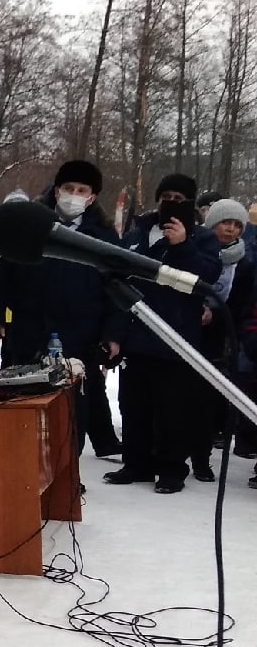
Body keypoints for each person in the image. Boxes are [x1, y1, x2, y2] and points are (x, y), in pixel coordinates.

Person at [0, 160, 125, 458]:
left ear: (92, 197)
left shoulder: (103, 237)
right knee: (27, 400)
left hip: (80, 334)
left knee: (74, 406)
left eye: (81, 190)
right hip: (29, 328)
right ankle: (25, 464)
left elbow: (116, 290)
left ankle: (67, 468)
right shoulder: (30, 226)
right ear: (57, 190)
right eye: (68, 188)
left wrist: (112, 333)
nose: (73, 194)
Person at [104, 174, 220, 494]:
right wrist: (114, 333)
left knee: (172, 409)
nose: (171, 202)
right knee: (133, 404)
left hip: (176, 336)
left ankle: (171, 470)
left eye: (180, 198)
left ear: (190, 204)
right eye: (166, 195)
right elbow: (118, 281)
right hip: (136, 331)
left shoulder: (202, 238)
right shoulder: (138, 231)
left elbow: (207, 276)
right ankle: (136, 463)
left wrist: (182, 245)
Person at [191, 198, 254, 481]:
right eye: (225, 223)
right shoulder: (194, 251)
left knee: (206, 403)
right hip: (186, 330)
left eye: (236, 225)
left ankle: (202, 460)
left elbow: (241, 306)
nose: (230, 230)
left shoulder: (245, 264)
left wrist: (217, 318)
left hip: (220, 337)